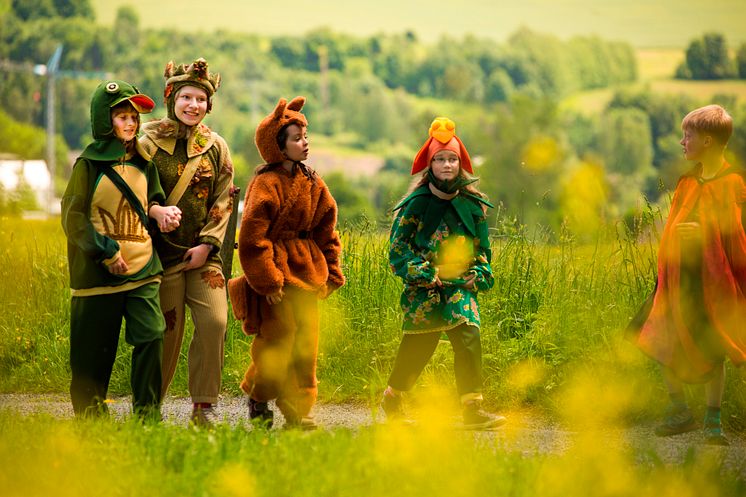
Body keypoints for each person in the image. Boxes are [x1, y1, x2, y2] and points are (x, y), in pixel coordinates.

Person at [61, 80, 181, 420]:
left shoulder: (145, 162)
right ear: (104, 119)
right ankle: (89, 422)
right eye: (121, 116)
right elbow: (73, 219)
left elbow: (151, 200)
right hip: (98, 275)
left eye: (133, 117)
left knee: (152, 335)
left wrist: (161, 213)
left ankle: (147, 418)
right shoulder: (88, 164)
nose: (130, 123)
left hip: (143, 270)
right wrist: (105, 252)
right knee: (93, 355)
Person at [628, 104, 746, 446]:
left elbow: (734, 235)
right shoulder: (686, 182)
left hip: (713, 280)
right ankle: (679, 409)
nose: (682, 142)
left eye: (687, 136)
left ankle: (713, 418)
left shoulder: (731, 183)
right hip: (677, 277)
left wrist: (704, 233)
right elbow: (674, 226)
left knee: (713, 344)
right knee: (662, 335)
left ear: (707, 141)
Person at [380, 117, 506, 430]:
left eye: (452, 159)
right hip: (425, 286)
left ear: (460, 163)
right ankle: (393, 397)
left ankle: (472, 408)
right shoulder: (416, 204)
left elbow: (483, 250)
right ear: (430, 165)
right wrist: (423, 271)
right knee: (419, 346)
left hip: (460, 285)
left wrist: (479, 271)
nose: (447, 165)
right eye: (440, 160)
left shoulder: (473, 205)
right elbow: (398, 250)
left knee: (468, 333)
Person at [232, 96, 344, 429]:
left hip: (308, 272)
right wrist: (268, 281)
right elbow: (254, 237)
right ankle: (260, 395)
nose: (304, 143)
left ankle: (297, 406)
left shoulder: (312, 181)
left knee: (306, 342)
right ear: (277, 146)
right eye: (296, 138)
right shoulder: (265, 184)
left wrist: (332, 271)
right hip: (277, 275)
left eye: (305, 136)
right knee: (278, 339)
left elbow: (327, 227)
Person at [139, 58, 235, 426]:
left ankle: (204, 407)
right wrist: (154, 209)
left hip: (203, 256)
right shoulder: (145, 142)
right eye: (187, 97)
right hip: (159, 257)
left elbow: (224, 198)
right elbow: (130, 189)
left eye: (201, 99)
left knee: (214, 322)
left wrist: (209, 244)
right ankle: (150, 407)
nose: (193, 105)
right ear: (171, 98)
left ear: (209, 105)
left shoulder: (216, 146)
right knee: (166, 331)